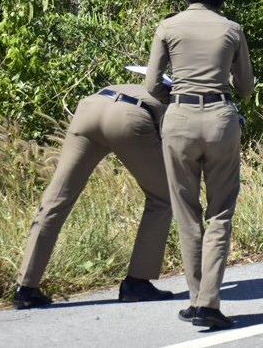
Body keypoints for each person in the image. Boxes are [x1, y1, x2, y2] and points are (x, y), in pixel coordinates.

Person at [146, 0, 254, 330]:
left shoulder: (168, 26)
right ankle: (209, 303)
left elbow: (150, 85)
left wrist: (174, 94)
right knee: (220, 212)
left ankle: (196, 301)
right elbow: (245, 87)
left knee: (186, 213)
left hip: (179, 119)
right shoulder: (232, 29)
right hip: (221, 120)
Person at [13, 84, 174, 309]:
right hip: (129, 117)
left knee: (55, 200)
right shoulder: (185, 100)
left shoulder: (144, 84)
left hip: (90, 107)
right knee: (164, 198)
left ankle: (25, 288)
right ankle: (137, 283)